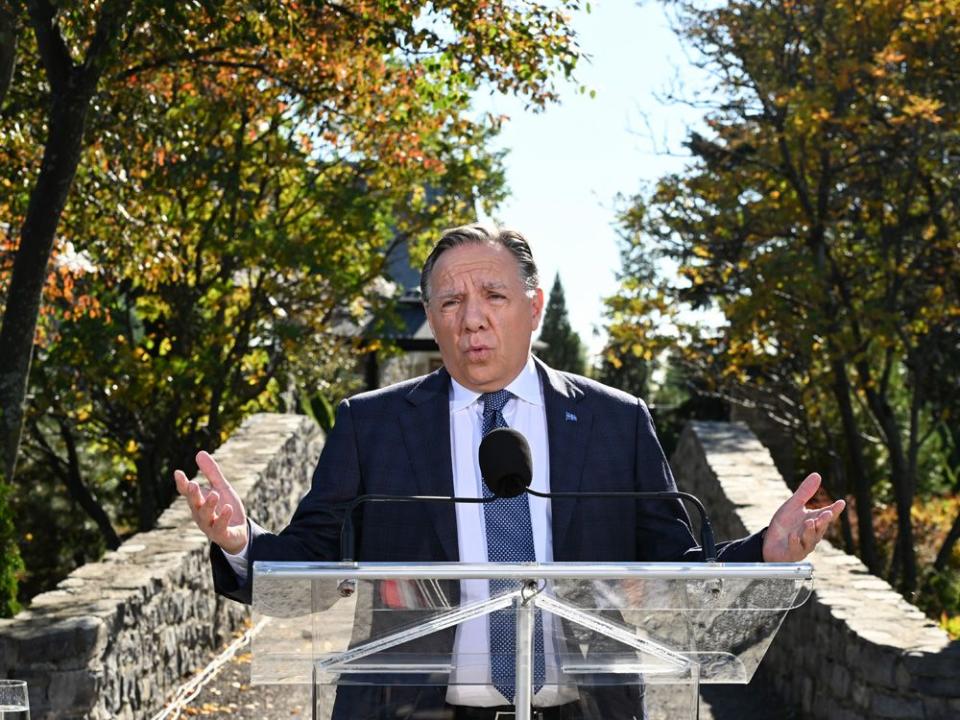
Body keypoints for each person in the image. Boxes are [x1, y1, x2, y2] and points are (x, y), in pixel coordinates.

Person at [174, 223, 845, 720]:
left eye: (492, 294)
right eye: (448, 302)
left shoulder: (617, 422)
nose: (471, 318)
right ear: (432, 320)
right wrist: (241, 543)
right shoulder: (371, 425)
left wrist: (765, 555)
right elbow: (313, 575)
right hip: (410, 712)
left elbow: (673, 576)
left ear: (535, 305)